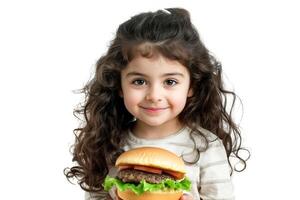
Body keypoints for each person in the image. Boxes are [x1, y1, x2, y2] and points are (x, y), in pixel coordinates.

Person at [64, 7, 249, 200]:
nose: (154, 95)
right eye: (139, 81)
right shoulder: (108, 142)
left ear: (191, 86)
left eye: (170, 82)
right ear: (119, 85)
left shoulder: (207, 147)